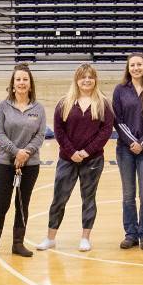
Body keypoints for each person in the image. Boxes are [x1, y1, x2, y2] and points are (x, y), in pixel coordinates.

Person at [41, 62, 113, 252]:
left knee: (88, 199)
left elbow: (105, 132)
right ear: (77, 80)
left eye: (90, 77)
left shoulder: (103, 103)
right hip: (67, 159)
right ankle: (50, 238)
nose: (87, 80)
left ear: (95, 80)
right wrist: (71, 152)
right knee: (59, 198)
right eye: (83, 77)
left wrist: (87, 152)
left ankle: (85, 238)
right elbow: (58, 131)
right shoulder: (64, 102)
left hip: (93, 159)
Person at [0, 62, 45, 259]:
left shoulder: (38, 108)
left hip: (30, 164)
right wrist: (16, 151)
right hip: (5, 162)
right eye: (18, 79)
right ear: (12, 84)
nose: (21, 82)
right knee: (2, 204)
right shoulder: (2, 107)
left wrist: (26, 153)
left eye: (25, 79)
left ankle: (18, 244)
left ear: (30, 84)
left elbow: (40, 135)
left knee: (22, 204)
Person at [112, 53, 143, 250]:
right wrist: (132, 142)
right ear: (128, 68)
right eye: (132, 65)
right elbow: (117, 120)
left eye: (139, 64)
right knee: (128, 195)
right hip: (124, 150)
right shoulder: (120, 90)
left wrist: (142, 143)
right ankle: (131, 234)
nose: (136, 68)